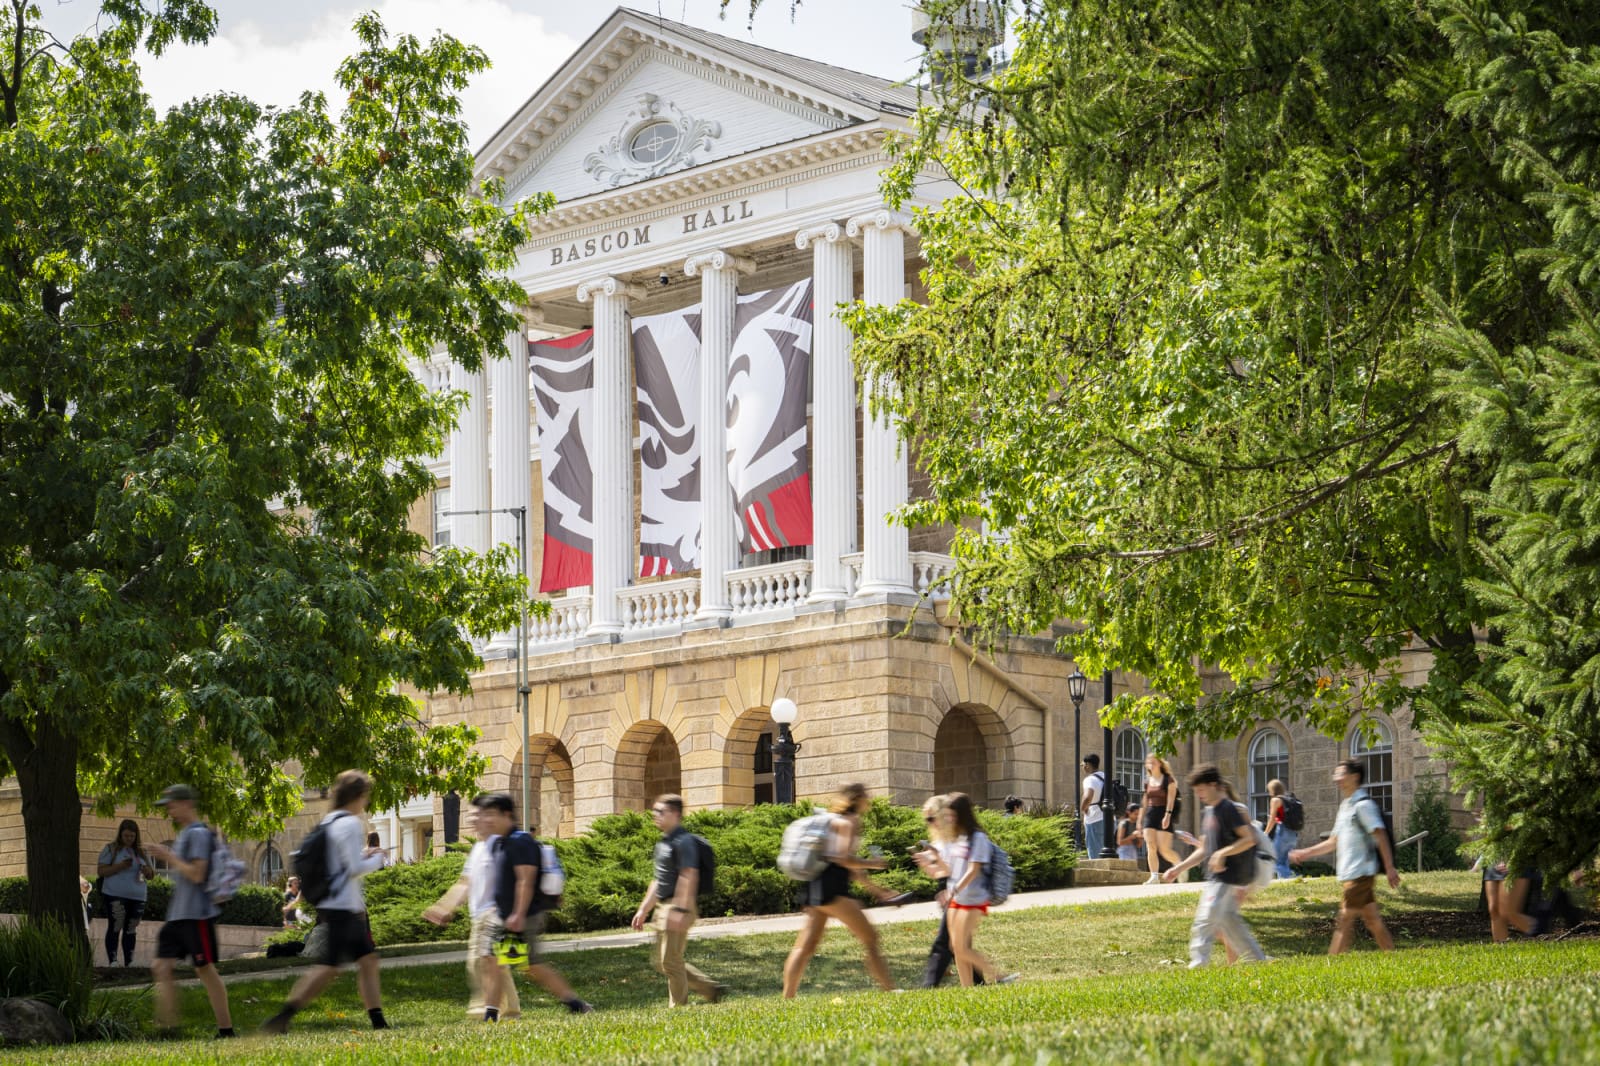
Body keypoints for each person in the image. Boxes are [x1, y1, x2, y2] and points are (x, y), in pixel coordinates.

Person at [262, 770, 390, 1034]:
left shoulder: (329, 821)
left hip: (332, 904)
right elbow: (353, 867)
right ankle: (283, 1017)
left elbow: (339, 864)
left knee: (364, 961)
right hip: (345, 907)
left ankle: (378, 1022)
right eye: (365, 795)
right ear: (357, 796)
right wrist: (378, 859)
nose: (366, 801)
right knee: (332, 968)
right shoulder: (352, 823)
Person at [471, 792, 593, 1018]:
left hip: (523, 916)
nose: (486, 820)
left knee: (530, 965)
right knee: (493, 960)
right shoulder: (501, 843)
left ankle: (576, 1003)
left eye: (491, 814)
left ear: (506, 815)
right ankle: (491, 1014)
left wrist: (517, 914)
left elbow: (525, 880)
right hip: (503, 915)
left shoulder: (520, 841)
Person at [781, 783, 904, 998]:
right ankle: (891, 990)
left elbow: (851, 869)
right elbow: (843, 859)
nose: (870, 800)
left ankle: (787, 997)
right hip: (833, 888)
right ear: (858, 799)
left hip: (814, 885)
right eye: (867, 796)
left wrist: (877, 890)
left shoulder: (830, 821)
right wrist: (874, 863)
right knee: (871, 939)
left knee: (805, 946)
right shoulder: (850, 822)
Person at [146, 784, 234, 1039]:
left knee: (205, 970)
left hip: (197, 915)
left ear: (186, 804)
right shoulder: (186, 834)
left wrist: (168, 856)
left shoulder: (198, 834)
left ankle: (226, 1030)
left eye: (172, 805)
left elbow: (197, 874)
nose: (170, 811)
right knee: (161, 966)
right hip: (178, 915)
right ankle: (167, 1028)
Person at [422, 798, 523, 1020]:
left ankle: (487, 1008)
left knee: (481, 962)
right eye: (472, 815)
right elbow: (464, 883)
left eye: (479, 814)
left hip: (494, 914)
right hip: (478, 916)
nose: (473, 819)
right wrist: (445, 906)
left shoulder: (501, 844)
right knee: (496, 964)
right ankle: (509, 1011)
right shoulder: (478, 848)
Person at [1289, 759, 1402, 954]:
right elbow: (1334, 841)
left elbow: (1380, 834)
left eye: (1341, 774)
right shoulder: (1345, 807)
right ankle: (1391, 954)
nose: (1336, 779)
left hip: (1361, 873)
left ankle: (1331, 967)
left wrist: (1390, 867)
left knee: (1344, 919)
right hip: (1352, 873)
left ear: (1354, 777)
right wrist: (1306, 853)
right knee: (1372, 920)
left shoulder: (1363, 806)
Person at [1164, 765, 1266, 968]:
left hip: (1227, 876)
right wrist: (1179, 868)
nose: (1198, 795)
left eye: (1200, 790)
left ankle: (1198, 963)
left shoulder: (1227, 809)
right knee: (1231, 924)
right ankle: (1257, 961)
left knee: (1205, 919)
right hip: (1219, 878)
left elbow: (1249, 838)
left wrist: (1222, 853)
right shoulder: (1210, 812)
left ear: (1213, 785)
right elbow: (1205, 849)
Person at [630, 794, 726, 1006]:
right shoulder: (664, 842)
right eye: (654, 811)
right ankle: (709, 988)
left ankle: (679, 1007)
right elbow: (658, 880)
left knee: (670, 961)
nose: (655, 815)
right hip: (665, 904)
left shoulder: (684, 841)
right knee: (663, 962)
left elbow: (689, 874)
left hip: (678, 903)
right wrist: (643, 910)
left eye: (660, 812)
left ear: (675, 814)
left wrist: (680, 910)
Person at [917, 792, 1004, 986]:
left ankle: (998, 975)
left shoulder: (978, 838)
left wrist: (952, 890)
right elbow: (948, 870)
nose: (948, 819)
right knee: (955, 946)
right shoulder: (959, 838)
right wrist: (931, 862)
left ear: (962, 815)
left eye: (952, 815)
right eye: (947, 815)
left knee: (962, 948)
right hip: (956, 896)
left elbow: (974, 870)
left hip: (973, 897)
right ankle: (968, 990)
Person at [97, 819, 151, 965]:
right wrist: (120, 866)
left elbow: (151, 875)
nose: (129, 839)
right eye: (126, 836)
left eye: (132, 836)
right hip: (115, 894)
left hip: (138, 896)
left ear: (136, 836)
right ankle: (113, 961)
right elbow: (101, 871)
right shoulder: (111, 849)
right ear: (120, 834)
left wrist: (147, 871)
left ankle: (129, 962)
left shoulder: (141, 852)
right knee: (116, 925)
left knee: (131, 928)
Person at [1141, 754, 1182, 884]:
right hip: (1150, 814)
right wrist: (1139, 821)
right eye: (1148, 762)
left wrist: (1167, 815)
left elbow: (1171, 799)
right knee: (1150, 846)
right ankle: (1154, 877)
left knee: (1164, 850)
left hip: (1163, 812)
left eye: (1153, 762)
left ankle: (1181, 866)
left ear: (1160, 763)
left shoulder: (1168, 780)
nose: (1150, 764)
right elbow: (1145, 802)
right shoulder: (1147, 782)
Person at [1265, 779, 1298, 879]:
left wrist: (1265, 833)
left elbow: (1272, 819)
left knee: (1276, 861)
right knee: (1284, 861)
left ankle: (1294, 877)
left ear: (1272, 789)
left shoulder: (1275, 800)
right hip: (1293, 834)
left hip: (1283, 832)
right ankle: (1286, 881)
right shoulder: (1288, 800)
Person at [1080, 755, 1106, 857]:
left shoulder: (1090, 779)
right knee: (1106, 855)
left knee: (1095, 856)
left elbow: (1087, 797)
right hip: (1110, 820)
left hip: (1095, 819)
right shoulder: (1106, 777)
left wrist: (1083, 809)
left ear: (1087, 765)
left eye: (1083, 765)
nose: (1083, 768)